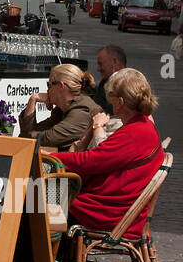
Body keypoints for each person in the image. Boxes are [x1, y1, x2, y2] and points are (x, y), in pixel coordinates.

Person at [56, 69, 164, 236]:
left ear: (120, 102)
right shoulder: (141, 126)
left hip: (105, 213)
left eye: (111, 99)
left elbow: (90, 161)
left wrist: (52, 157)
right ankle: (53, 256)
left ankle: (43, 257)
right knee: (42, 198)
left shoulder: (135, 132)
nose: (109, 104)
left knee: (36, 202)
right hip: (113, 209)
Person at [18, 64, 101, 151]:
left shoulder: (82, 111)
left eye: (49, 85)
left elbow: (46, 139)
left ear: (61, 86)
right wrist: (33, 100)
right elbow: (29, 134)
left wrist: (25, 137)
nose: (47, 90)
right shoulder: (63, 109)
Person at [91, 44, 126, 111]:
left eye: (100, 64)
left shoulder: (127, 86)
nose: (98, 69)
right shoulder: (105, 81)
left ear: (114, 61)